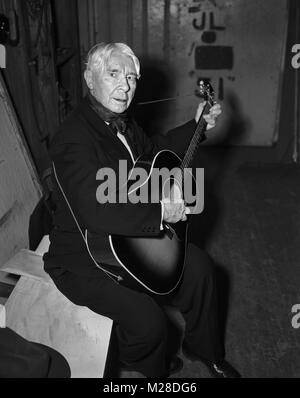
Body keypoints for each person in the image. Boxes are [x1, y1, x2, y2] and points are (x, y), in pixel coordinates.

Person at [43, 42, 240, 378]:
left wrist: (197, 126)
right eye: (114, 74)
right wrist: (161, 211)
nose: (126, 85)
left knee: (201, 270)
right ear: (90, 79)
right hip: (85, 256)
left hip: (131, 238)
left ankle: (203, 348)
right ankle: (139, 363)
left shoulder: (123, 123)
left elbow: (154, 153)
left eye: (132, 78)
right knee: (149, 323)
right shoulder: (72, 138)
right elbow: (95, 211)